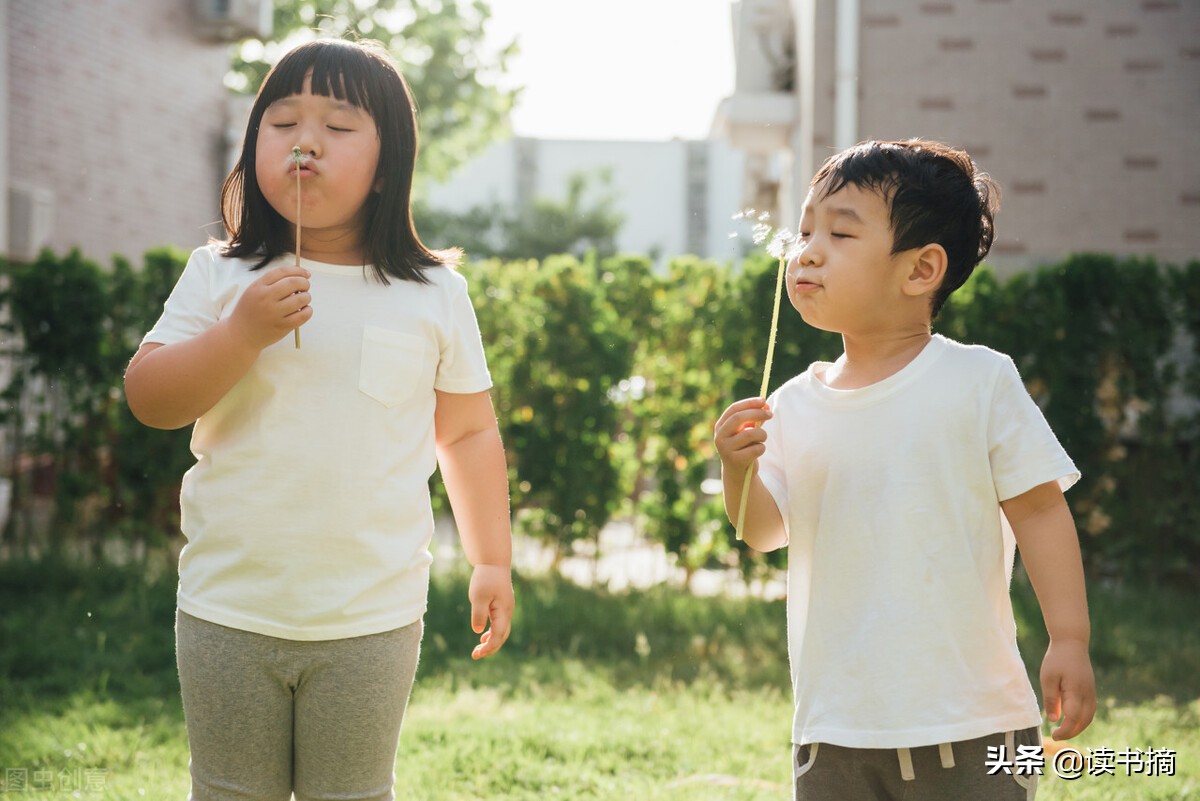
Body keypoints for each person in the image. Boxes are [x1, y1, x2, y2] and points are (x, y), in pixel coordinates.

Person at [124, 39, 514, 801]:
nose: (305, 141)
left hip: (371, 614)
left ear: (386, 164)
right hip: (230, 605)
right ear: (253, 144)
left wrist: (491, 559)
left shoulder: (433, 292)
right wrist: (239, 334)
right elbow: (150, 397)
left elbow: (467, 432)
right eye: (282, 122)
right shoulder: (222, 273)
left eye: (338, 127)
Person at [714, 140, 1095, 800]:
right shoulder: (792, 406)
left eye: (839, 231)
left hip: (974, 724)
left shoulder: (978, 382)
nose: (806, 249)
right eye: (804, 229)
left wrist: (1069, 636)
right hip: (835, 729)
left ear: (920, 270)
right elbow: (763, 531)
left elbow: (1039, 510)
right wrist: (735, 470)